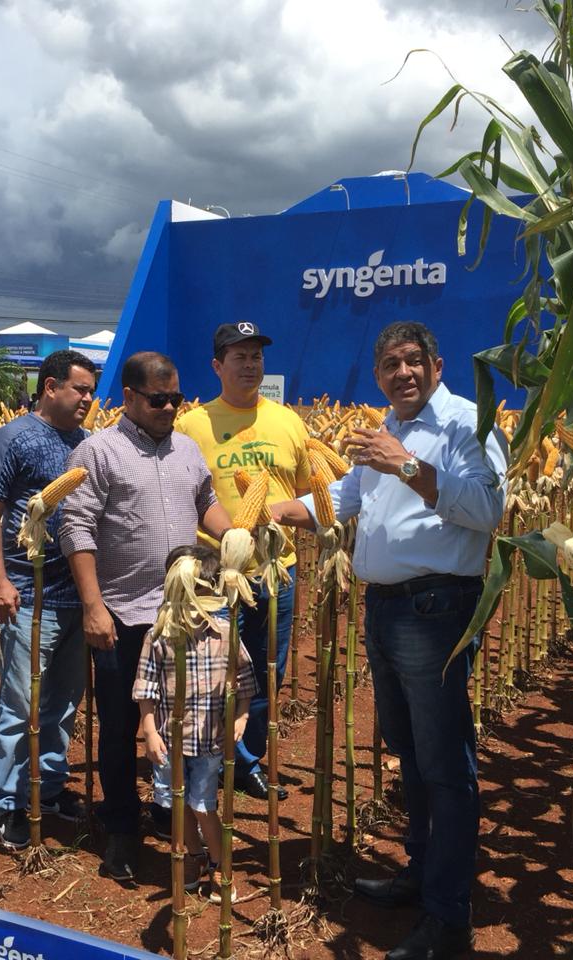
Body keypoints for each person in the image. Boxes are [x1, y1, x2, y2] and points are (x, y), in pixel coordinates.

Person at [269, 321, 507, 960]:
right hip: (385, 608)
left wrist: (411, 468)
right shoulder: (388, 430)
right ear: (377, 377)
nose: (401, 374)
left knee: (445, 763)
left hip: (436, 608)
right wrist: (262, 516)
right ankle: (422, 873)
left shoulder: (466, 423)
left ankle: (447, 917)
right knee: (409, 751)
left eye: (411, 362)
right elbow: (341, 500)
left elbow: (489, 510)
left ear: (436, 362)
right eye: (389, 366)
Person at [59, 351, 231, 883]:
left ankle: (168, 811)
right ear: (129, 397)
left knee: (185, 719)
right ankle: (121, 831)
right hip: (124, 614)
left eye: (176, 398)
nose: (170, 408)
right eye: (159, 399)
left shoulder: (187, 448)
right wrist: (93, 606)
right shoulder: (98, 452)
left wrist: (239, 537)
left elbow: (206, 500)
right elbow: (77, 529)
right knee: (118, 728)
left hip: (183, 615)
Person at [175, 321, 310, 803]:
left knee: (265, 674)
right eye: (239, 356)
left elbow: (310, 491)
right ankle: (208, 762)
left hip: (277, 571)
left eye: (257, 356)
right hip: (214, 574)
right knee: (212, 674)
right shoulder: (191, 425)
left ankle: (247, 760)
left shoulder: (289, 421)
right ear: (217, 365)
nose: (250, 365)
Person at [0, 349, 97, 849]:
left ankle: (46, 788)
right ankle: (4, 801)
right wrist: (0, 580)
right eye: (79, 389)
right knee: (21, 701)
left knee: (65, 699)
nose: (88, 398)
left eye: (91, 390)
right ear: (50, 387)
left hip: (75, 594)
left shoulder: (86, 442)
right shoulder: (13, 439)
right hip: (29, 592)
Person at [133, 544, 257, 896]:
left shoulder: (224, 635)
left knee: (203, 806)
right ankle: (195, 854)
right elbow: (146, 688)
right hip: (170, 743)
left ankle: (220, 863)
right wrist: (149, 729)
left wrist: (242, 716)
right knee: (176, 804)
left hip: (209, 742)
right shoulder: (157, 637)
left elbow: (245, 681)